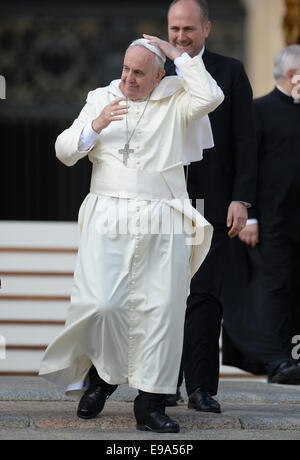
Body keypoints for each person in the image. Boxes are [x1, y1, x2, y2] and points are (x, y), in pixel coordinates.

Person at [39, 35, 224, 433]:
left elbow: (211, 96)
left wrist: (179, 55)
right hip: (109, 216)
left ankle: (151, 403)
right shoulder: (101, 97)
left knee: (161, 311)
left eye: (139, 72)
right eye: (125, 69)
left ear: (160, 76)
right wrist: (96, 124)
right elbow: (64, 149)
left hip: (163, 218)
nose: (129, 79)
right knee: (102, 304)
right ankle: (101, 380)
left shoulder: (178, 98)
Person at [164, 0, 257, 412]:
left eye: (188, 29)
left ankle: (201, 388)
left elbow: (244, 141)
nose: (181, 37)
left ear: (206, 29)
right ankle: (162, 384)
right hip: (163, 202)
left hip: (215, 203)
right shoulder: (156, 67)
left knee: (205, 295)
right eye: (174, 29)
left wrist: (241, 198)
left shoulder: (231, 71)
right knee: (164, 296)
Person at [221, 45, 300, 384]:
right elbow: (245, 166)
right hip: (270, 222)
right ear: (292, 75)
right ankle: (278, 361)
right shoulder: (260, 111)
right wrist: (249, 217)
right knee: (275, 288)